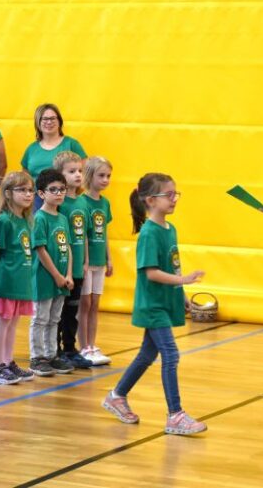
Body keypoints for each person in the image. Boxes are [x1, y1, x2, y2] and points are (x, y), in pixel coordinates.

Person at [102, 172, 207, 435]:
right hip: (152, 304)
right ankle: (175, 415)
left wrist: (181, 292)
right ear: (150, 200)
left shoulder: (170, 229)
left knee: (147, 354)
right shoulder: (148, 233)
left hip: (165, 300)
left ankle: (116, 395)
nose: (174, 199)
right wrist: (183, 279)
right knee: (170, 354)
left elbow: (172, 265)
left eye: (175, 194)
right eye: (168, 195)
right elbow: (151, 273)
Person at [0, 172, 36, 384]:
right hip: (6, 281)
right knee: (3, 321)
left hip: (21, 281)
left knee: (13, 323)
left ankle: (8, 362)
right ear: (8, 193)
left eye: (30, 190)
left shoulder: (25, 220)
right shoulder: (4, 221)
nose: (28, 194)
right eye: (22, 190)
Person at [29, 169, 75, 377]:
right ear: (41, 193)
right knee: (40, 317)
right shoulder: (39, 218)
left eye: (62, 189)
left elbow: (68, 248)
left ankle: (51, 355)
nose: (59, 193)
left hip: (62, 280)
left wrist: (69, 275)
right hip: (45, 278)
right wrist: (56, 275)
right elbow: (40, 249)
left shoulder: (63, 218)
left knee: (55, 318)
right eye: (53, 189)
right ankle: (37, 357)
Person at [54, 152, 93, 369]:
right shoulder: (59, 204)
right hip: (62, 268)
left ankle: (70, 348)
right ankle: (55, 350)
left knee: (73, 311)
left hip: (78, 267)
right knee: (58, 312)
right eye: (72, 171)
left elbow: (85, 234)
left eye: (80, 170)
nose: (78, 175)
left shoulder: (83, 202)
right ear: (60, 175)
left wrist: (85, 261)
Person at [78, 156, 114, 366]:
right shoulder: (82, 202)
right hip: (87, 262)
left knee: (95, 304)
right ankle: (83, 347)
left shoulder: (105, 203)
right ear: (89, 176)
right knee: (85, 304)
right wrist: (85, 260)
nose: (106, 180)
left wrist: (109, 258)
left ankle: (92, 345)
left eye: (108, 176)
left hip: (100, 262)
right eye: (101, 175)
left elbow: (104, 232)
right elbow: (82, 234)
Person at [21, 104, 87, 210]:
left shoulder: (72, 144)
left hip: (64, 199)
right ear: (38, 122)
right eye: (45, 119)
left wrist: (71, 195)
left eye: (52, 118)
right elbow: (25, 178)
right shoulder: (31, 149)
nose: (49, 122)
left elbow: (86, 175)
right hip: (36, 201)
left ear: (59, 121)